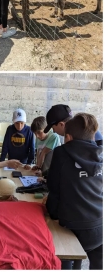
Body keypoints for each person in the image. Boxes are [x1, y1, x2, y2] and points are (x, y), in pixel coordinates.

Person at [45, 113, 103, 270]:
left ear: (68, 137)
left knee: (65, 259)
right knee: (98, 264)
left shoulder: (62, 152)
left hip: (73, 227)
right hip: (99, 223)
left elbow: (53, 187)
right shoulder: (100, 153)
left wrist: (52, 214)